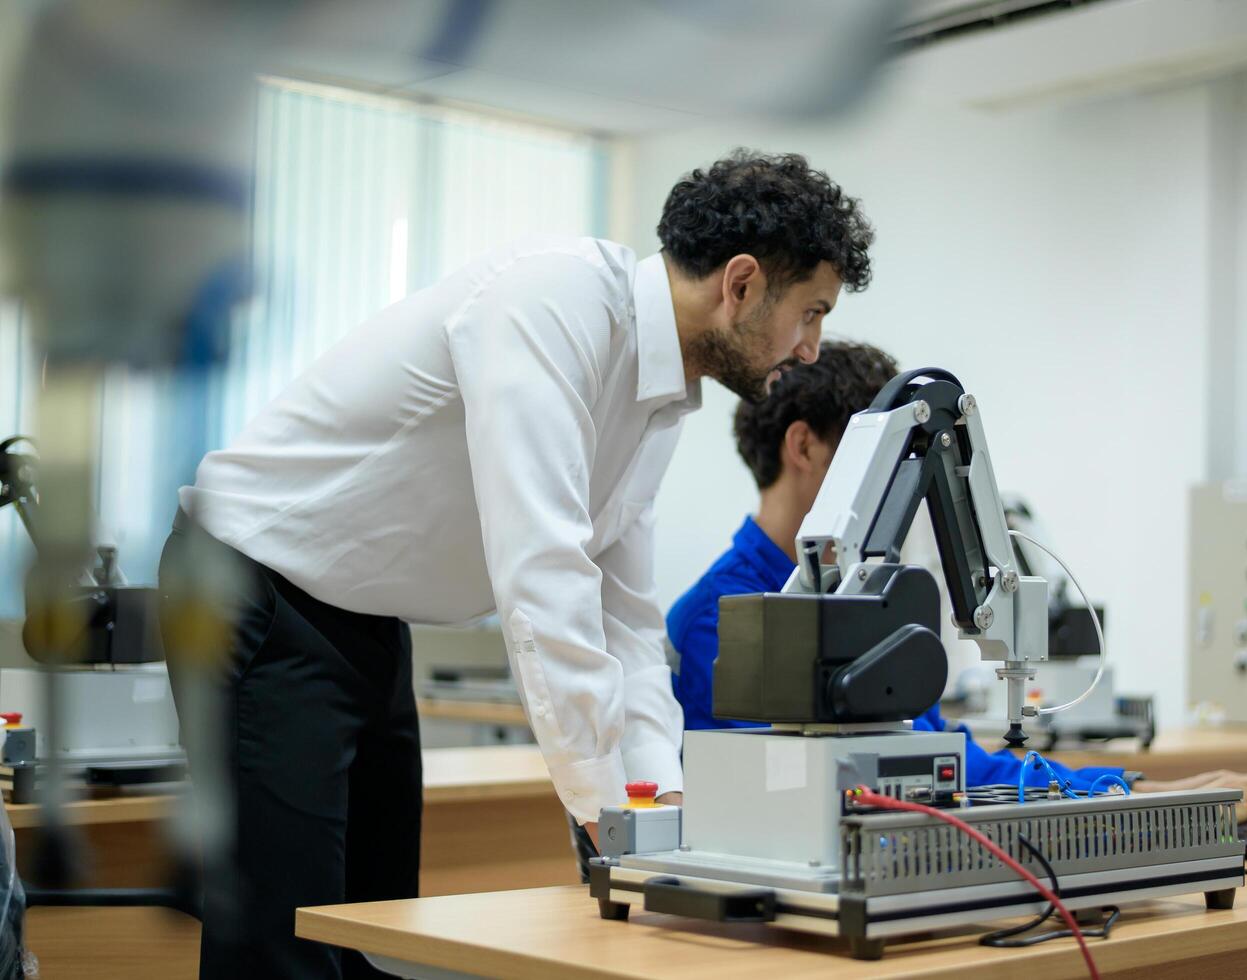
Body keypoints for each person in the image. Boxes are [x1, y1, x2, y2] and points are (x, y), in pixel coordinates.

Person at [157, 150, 875, 979]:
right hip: (251, 586)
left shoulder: (661, 395)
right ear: (741, 284)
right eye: (810, 312)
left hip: (358, 614)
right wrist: (611, 817)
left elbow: (627, 619)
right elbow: (542, 579)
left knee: (374, 930)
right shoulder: (554, 301)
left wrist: (660, 800)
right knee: (284, 950)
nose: (813, 346)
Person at [667, 340, 1247, 822]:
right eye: (880, 458)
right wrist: (1134, 799)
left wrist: (1133, 789)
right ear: (803, 448)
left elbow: (955, 759)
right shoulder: (721, 621)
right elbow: (805, 797)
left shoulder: (855, 605)